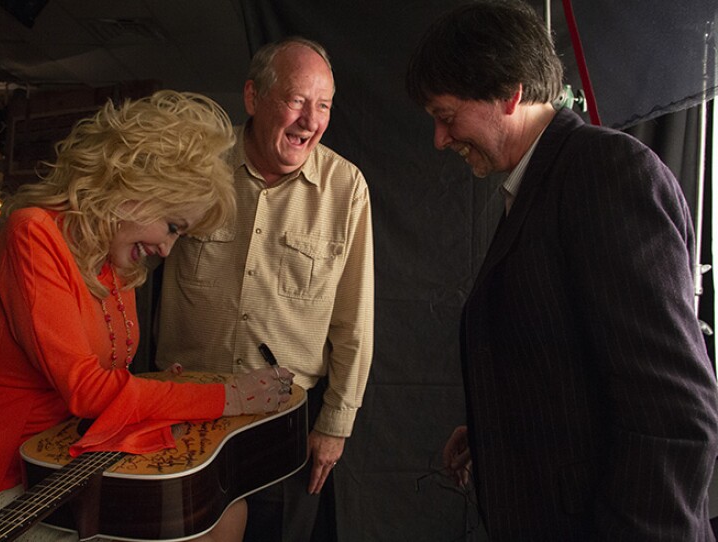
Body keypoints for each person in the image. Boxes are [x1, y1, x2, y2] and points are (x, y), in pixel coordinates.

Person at [0, 90, 294, 542]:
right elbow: (88, 391)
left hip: (68, 457)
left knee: (225, 510)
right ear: (135, 190)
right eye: (173, 227)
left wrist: (167, 391)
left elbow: (107, 375)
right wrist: (229, 397)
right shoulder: (33, 232)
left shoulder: (111, 259)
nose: (167, 249)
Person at [406, 1, 718, 540]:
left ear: (510, 92)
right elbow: (568, 362)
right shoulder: (542, 180)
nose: (439, 139)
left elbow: (674, 416)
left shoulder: (607, 175)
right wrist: (493, 430)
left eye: (446, 115)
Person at [155, 37, 374, 542]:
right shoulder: (197, 165)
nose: (310, 120)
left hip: (282, 426)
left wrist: (335, 424)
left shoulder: (348, 190)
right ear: (254, 98)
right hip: (182, 416)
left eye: (323, 106)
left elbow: (354, 318)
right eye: (297, 100)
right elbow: (130, 247)